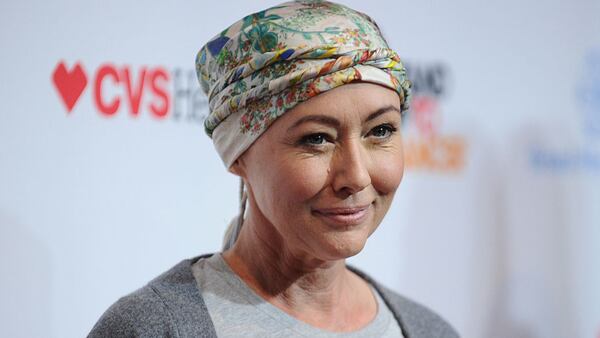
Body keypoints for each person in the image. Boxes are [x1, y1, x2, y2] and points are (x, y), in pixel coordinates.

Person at [89, 1, 459, 337]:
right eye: (316, 139)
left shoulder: (427, 331)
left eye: (381, 131)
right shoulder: (152, 327)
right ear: (238, 154)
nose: (357, 177)